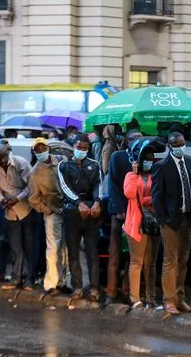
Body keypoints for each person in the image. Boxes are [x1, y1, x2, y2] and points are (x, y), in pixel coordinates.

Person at [152, 131, 191, 315]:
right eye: (177, 145)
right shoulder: (162, 166)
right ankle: (168, 300)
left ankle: (180, 299)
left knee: (183, 260)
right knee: (170, 260)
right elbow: (156, 197)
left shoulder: (189, 161)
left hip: (188, 217)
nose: (181, 147)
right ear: (170, 146)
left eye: (183, 143)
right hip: (171, 221)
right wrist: (163, 220)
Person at [58, 133, 103, 301]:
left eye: (85, 148)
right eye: (78, 147)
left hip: (91, 212)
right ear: (73, 147)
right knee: (73, 252)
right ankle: (77, 286)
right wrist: (79, 203)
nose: (81, 150)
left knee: (92, 252)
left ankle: (93, 288)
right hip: (72, 212)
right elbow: (65, 187)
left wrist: (97, 202)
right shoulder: (64, 165)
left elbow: (98, 184)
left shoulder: (94, 164)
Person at [104, 130, 144, 306]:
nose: (138, 142)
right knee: (115, 253)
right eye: (135, 139)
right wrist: (119, 209)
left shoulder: (143, 158)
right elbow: (112, 184)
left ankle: (128, 290)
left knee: (132, 255)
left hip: (136, 213)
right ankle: (111, 291)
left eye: (141, 140)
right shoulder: (117, 157)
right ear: (127, 141)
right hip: (119, 211)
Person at [0, 144, 34, 289]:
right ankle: (16, 278)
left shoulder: (21, 163)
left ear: (8, 154)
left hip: (26, 208)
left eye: (4, 157)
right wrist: (1, 200)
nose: (2, 160)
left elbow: (31, 186)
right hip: (9, 211)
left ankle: (30, 279)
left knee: (29, 246)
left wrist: (18, 198)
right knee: (15, 247)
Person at [123, 145, 161, 310]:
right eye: (145, 159)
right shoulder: (130, 176)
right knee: (136, 262)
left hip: (154, 222)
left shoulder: (157, 175)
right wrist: (134, 173)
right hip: (137, 223)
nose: (148, 162)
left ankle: (151, 298)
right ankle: (135, 298)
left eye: (151, 159)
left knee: (151, 263)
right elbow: (130, 194)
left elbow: (160, 195)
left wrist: (148, 199)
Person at [28, 138, 67, 295]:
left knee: (65, 249)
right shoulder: (34, 173)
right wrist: (47, 210)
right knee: (53, 249)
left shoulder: (61, 162)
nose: (41, 152)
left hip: (67, 209)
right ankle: (50, 283)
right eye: (37, 150)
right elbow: (33, 199)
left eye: (43, 148)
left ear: (48, 148)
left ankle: (62, 281)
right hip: (52, 212)